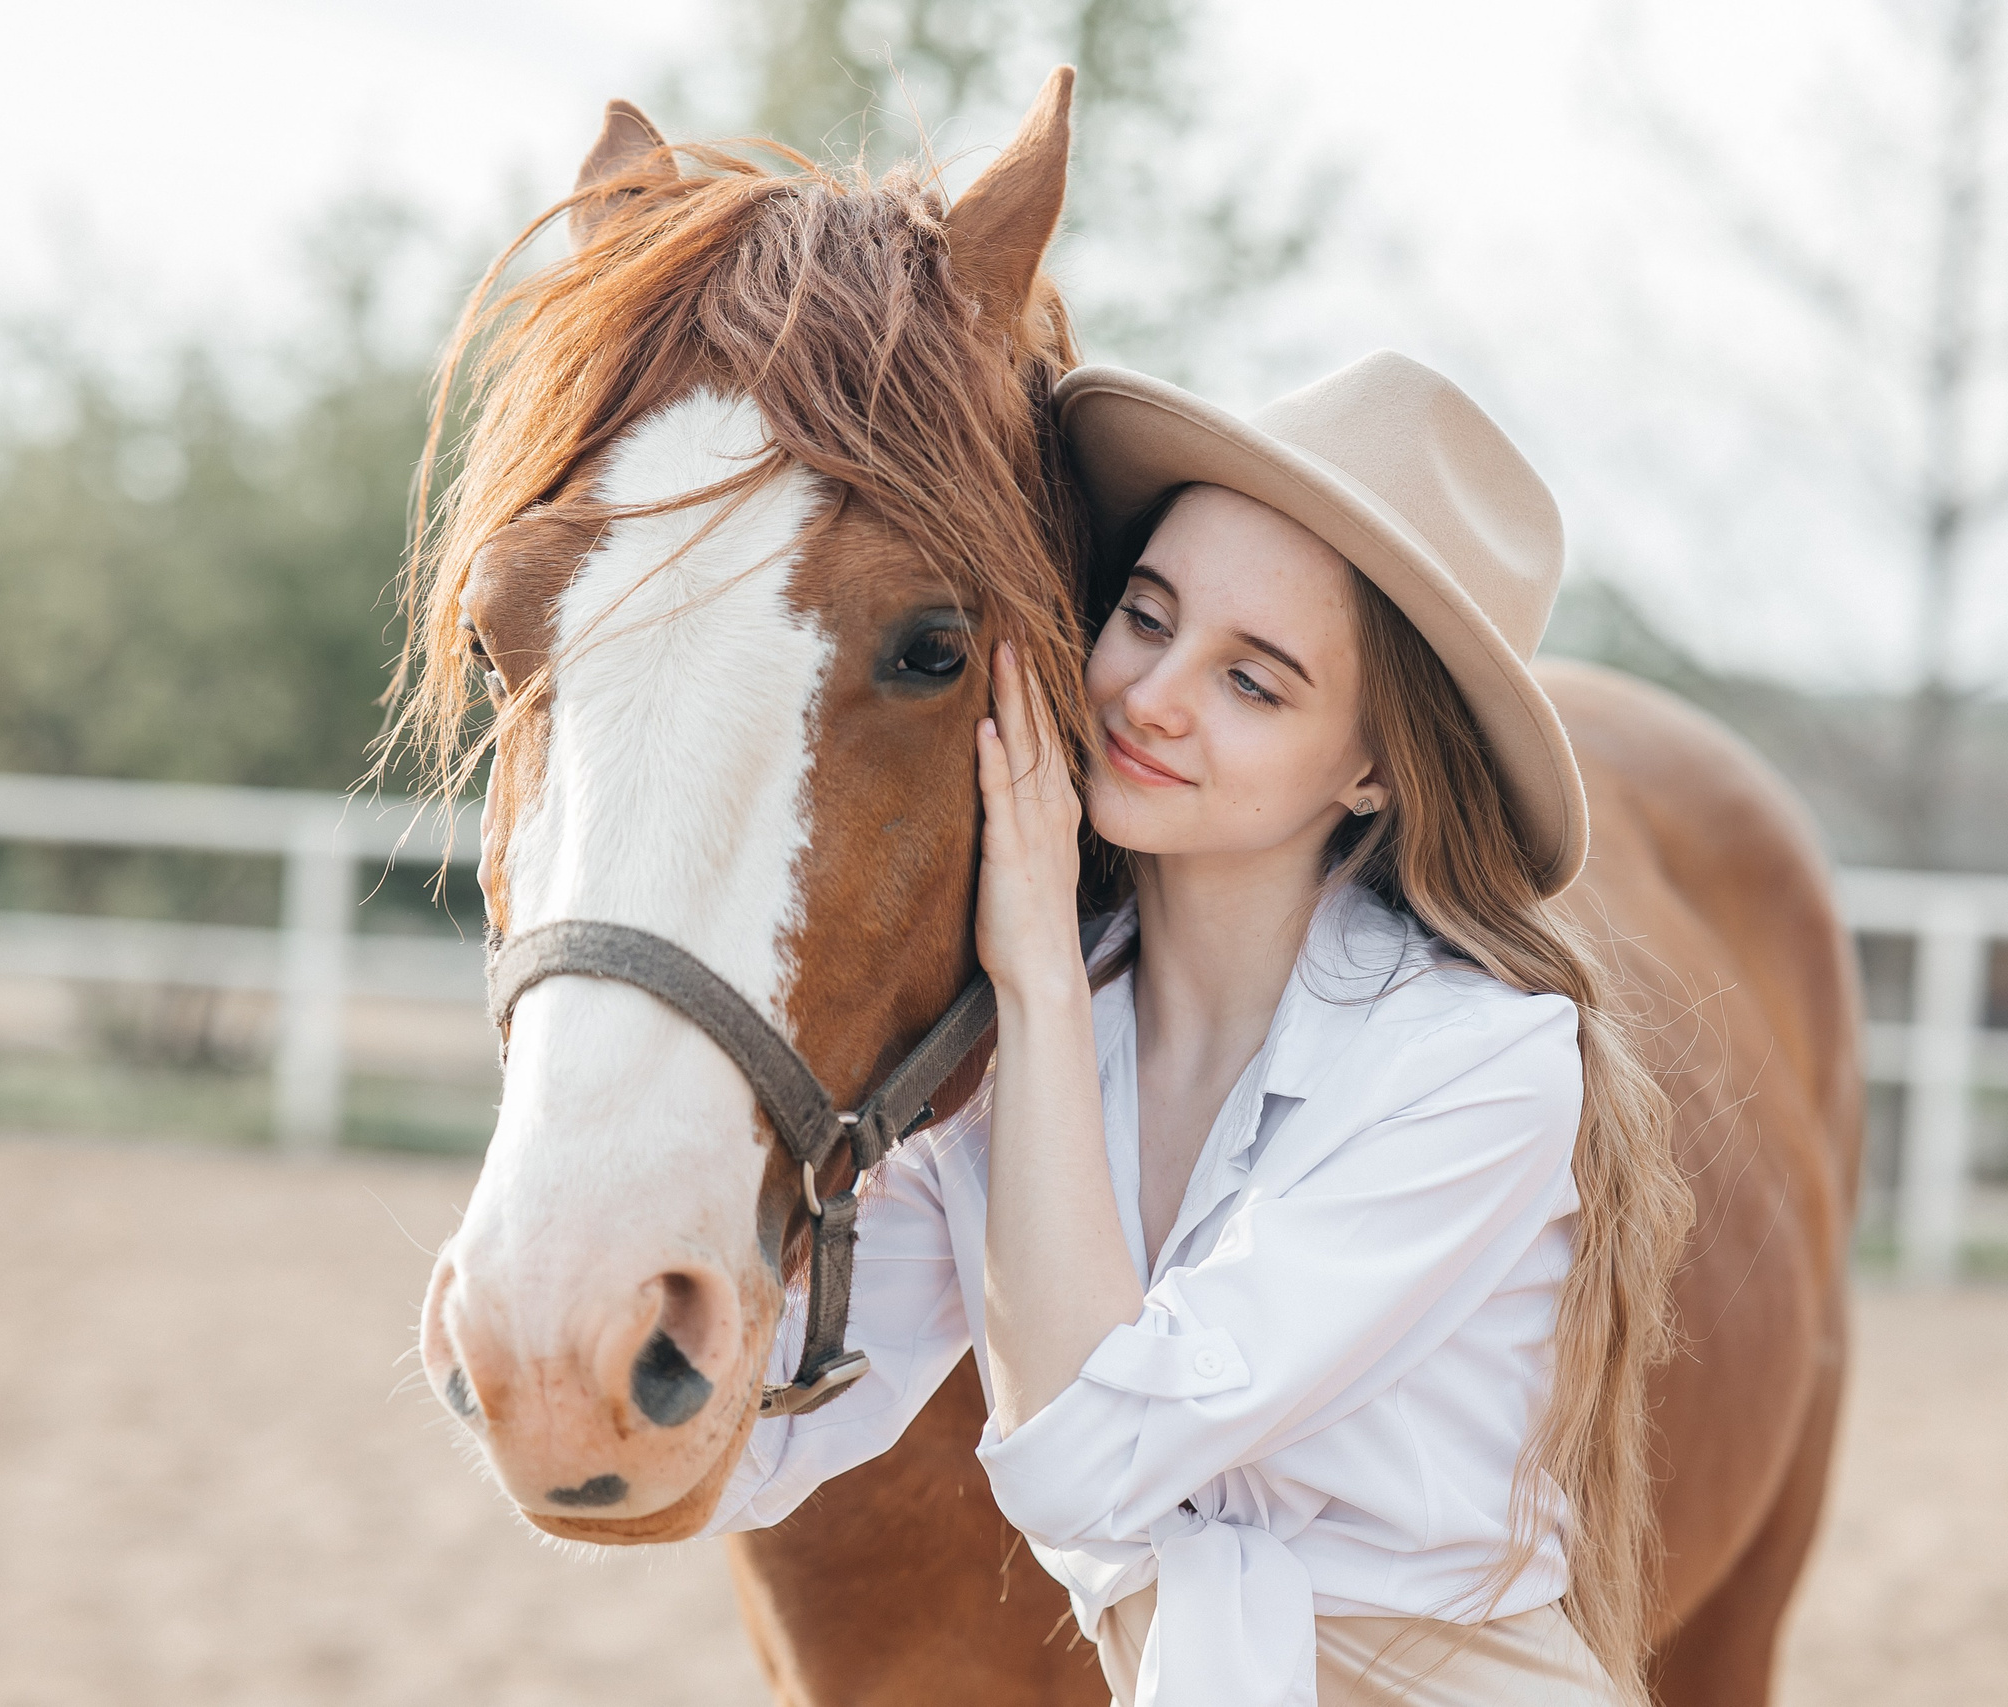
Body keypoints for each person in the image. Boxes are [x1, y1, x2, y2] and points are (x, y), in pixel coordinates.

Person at [701, 350, 1690, 1707]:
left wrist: (1041, 974)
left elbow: (1089, 1461)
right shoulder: (1023, 1055)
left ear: (1372, 768)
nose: (1152, 696)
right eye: (1149, 618)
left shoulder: (1476, 1067)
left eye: (1254, 683)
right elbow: (755, 1436)